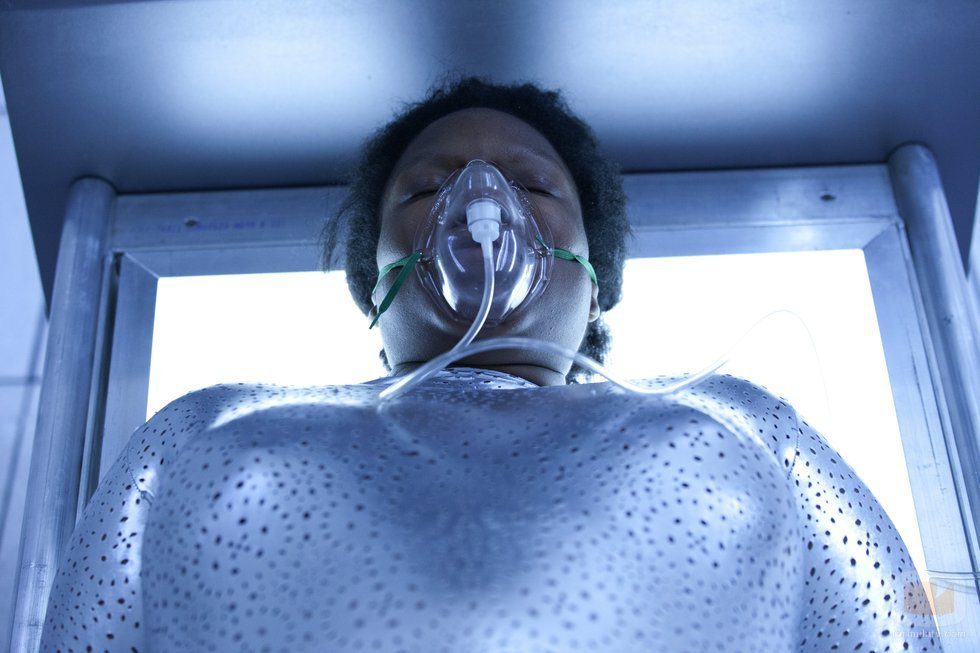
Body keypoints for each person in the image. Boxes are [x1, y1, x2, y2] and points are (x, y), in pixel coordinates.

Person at [40, 78, 942, 652]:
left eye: (535, 184)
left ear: (599, 277)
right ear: (371, 278)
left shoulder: (741, 423)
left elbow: (901, 625)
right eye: (429, 187)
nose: (483, 202)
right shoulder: (205, 432)